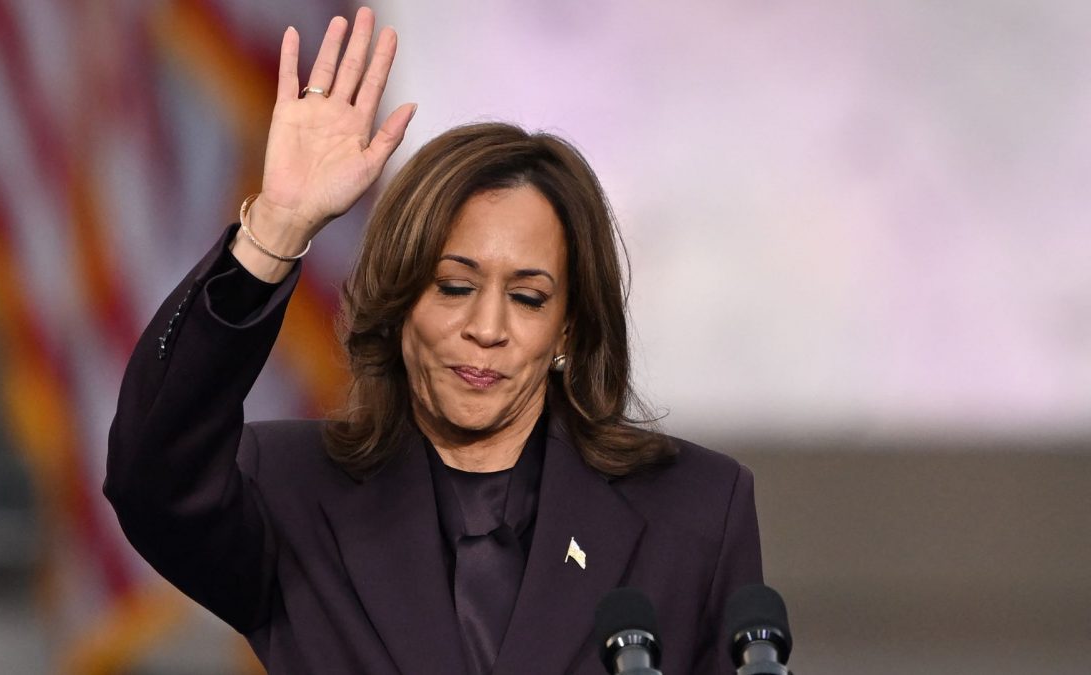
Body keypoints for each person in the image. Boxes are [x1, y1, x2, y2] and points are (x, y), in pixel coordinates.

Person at [104, 7, 762, 675]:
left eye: (528, 297)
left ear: (569, 327)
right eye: (453, 286)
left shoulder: (696, 510)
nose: (487, 328)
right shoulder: (290, 491)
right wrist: (276, 227)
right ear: (398, 304)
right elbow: (152, 476)